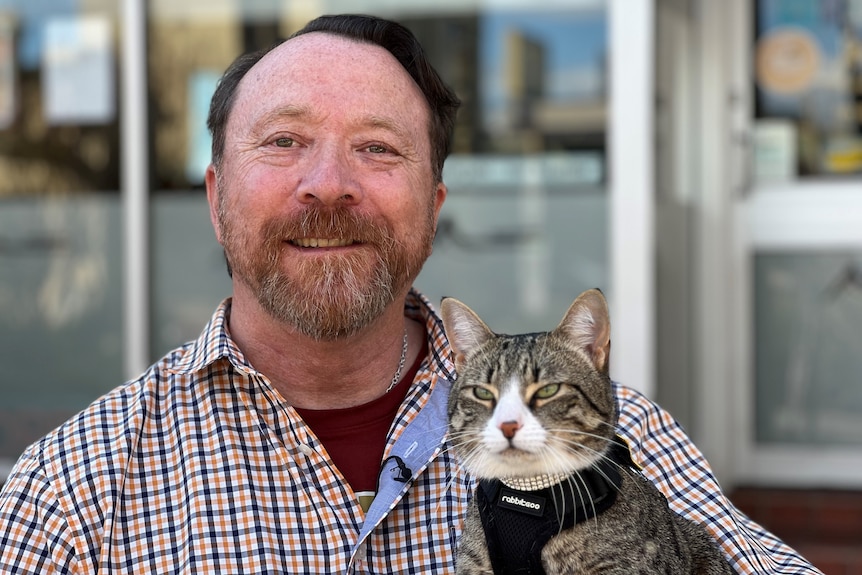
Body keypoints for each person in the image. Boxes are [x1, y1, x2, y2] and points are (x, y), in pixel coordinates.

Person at [0, 14, 821, 575]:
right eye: (284, 142)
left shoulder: (623, 439)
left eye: (378, 148)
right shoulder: (72, 494)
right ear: (216, 197)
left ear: (432, 210)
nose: (328, 187)